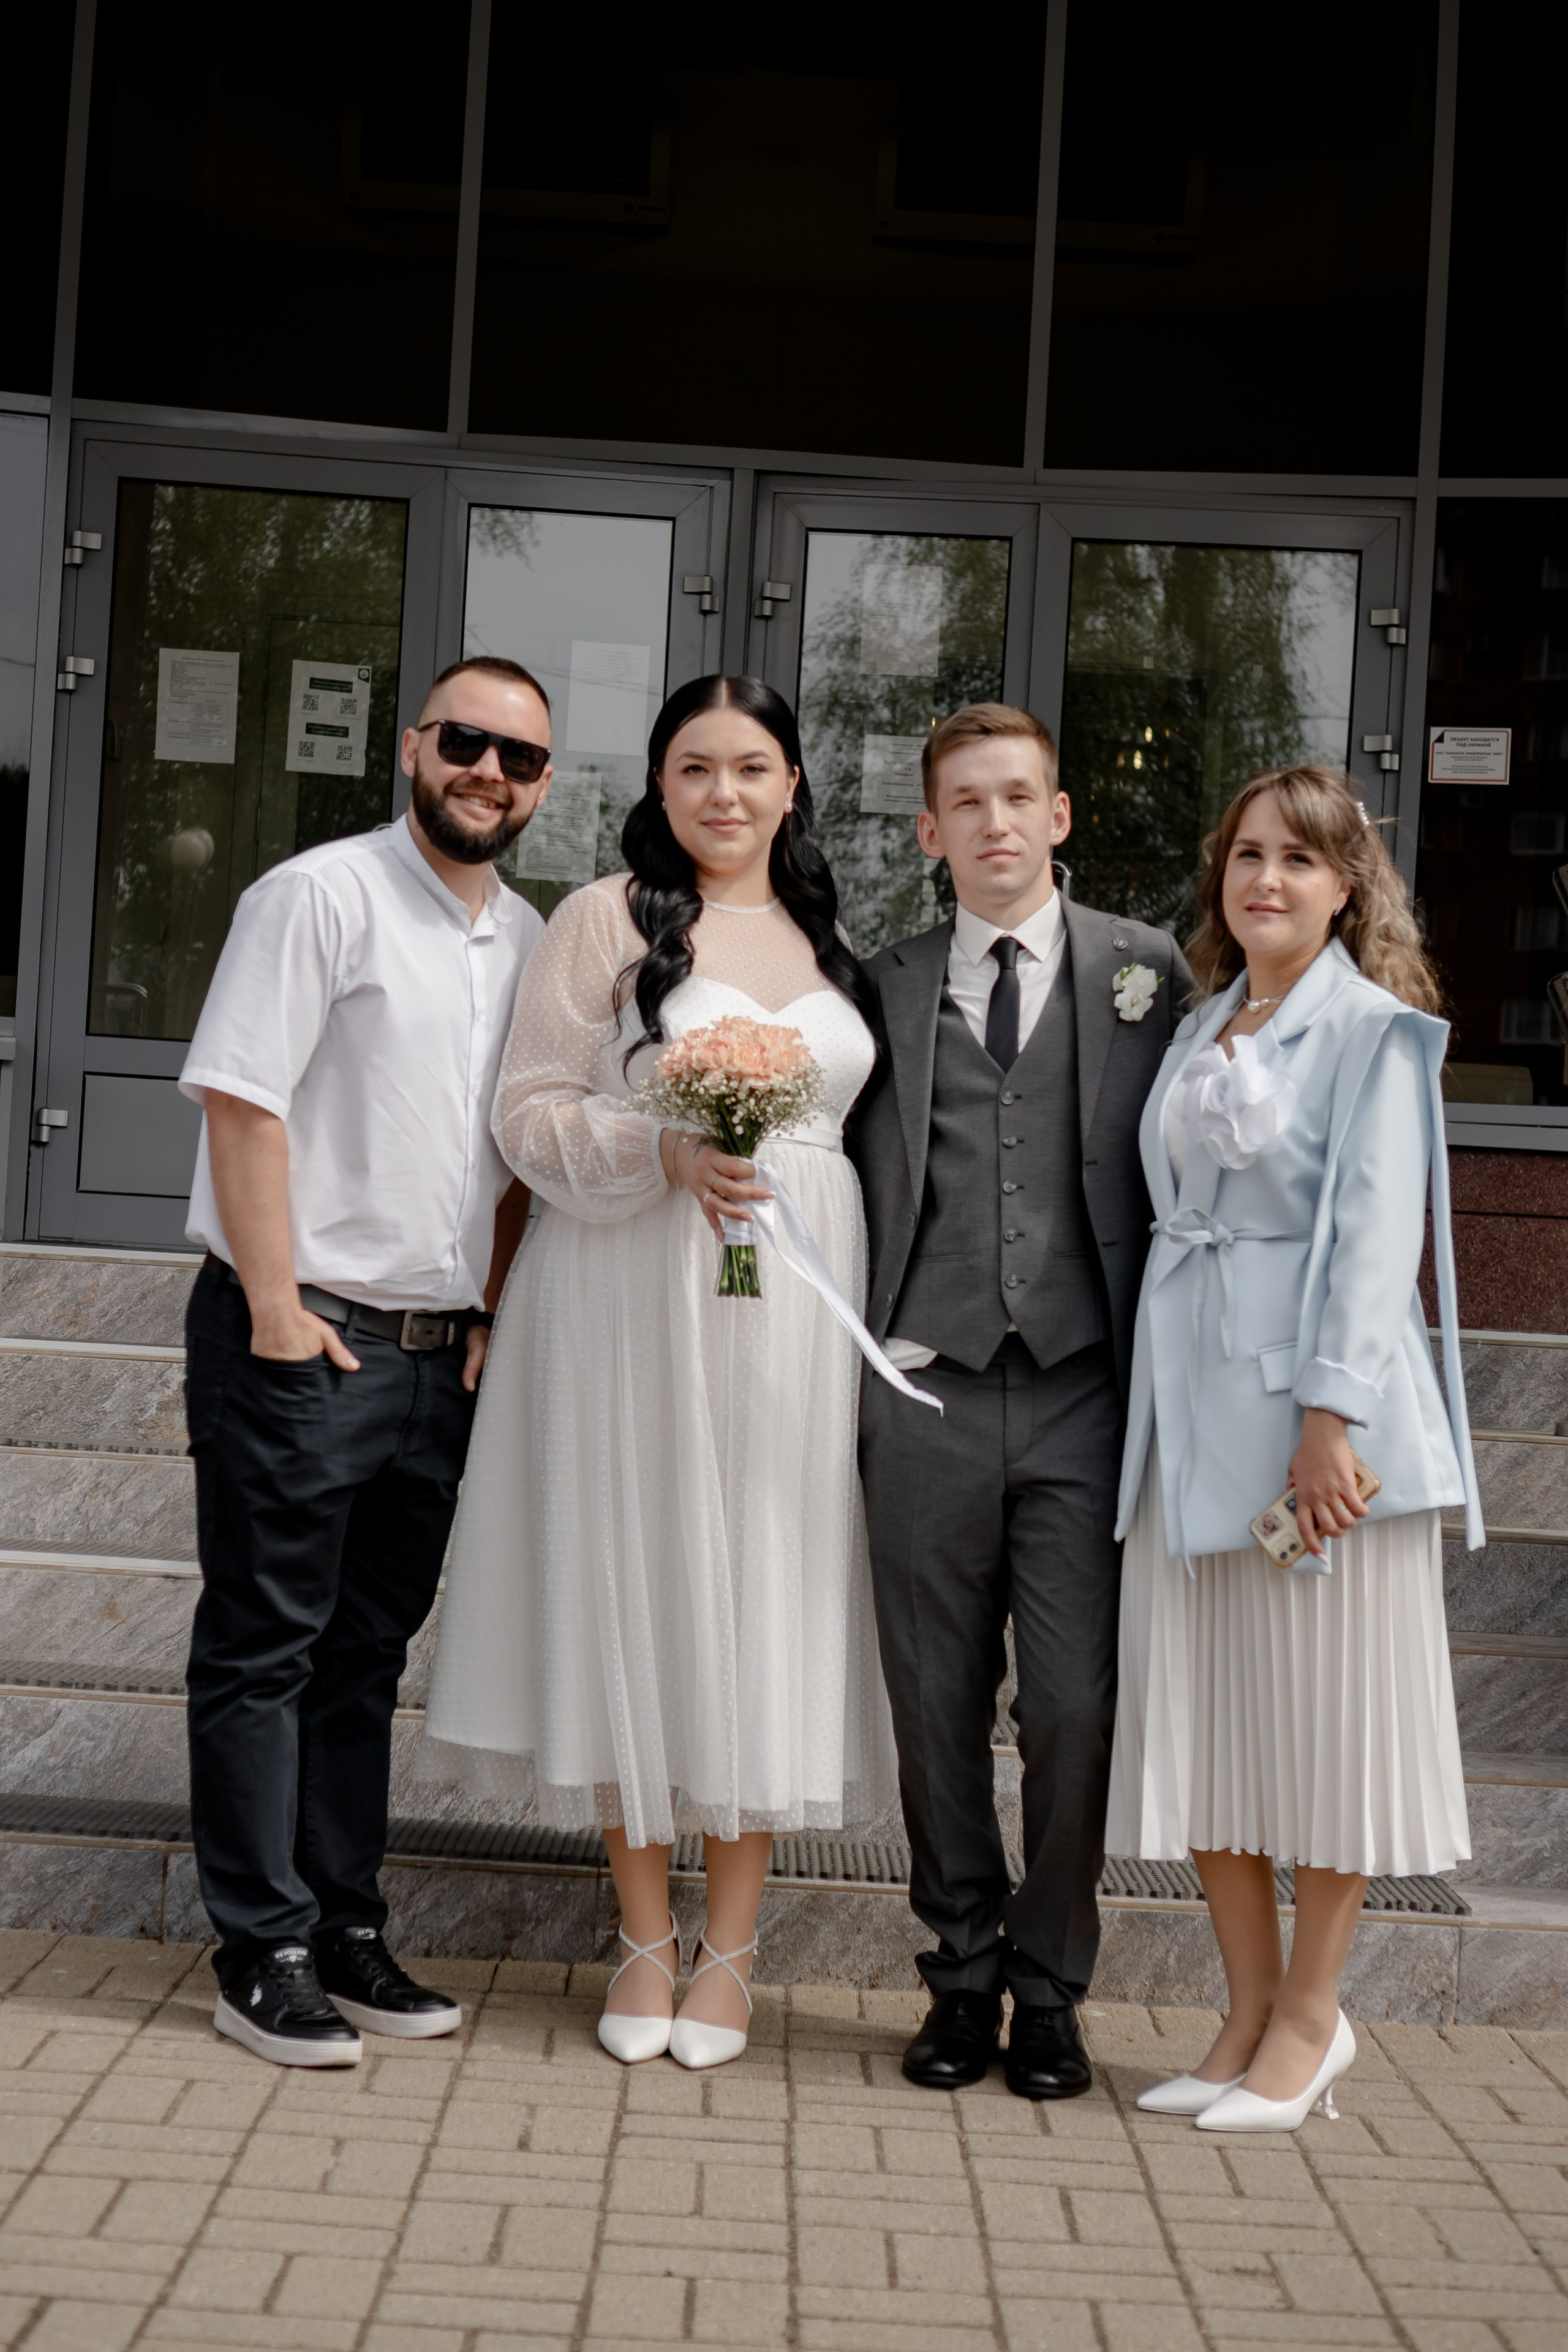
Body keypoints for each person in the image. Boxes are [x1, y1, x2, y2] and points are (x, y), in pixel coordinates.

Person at [423, 673, 897, 2070]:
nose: (723, 794)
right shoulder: (605, 919)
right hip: (630, 1281)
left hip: (794, 1300)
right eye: (694, 767)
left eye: (750, 767)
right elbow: (527, 1110)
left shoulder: (831, 935)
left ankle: (732, 1951)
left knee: (763, 1583)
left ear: (792, 785)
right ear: (659, 782)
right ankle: (639, 1935)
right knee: (633, 1576)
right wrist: (665, 1151)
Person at [179, 655, 553, 2065]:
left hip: (434, 1360)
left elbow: (512, 1163)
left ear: (541, 786)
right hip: (303, 1332)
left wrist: (494, 1316)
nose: (488, 774)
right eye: (467, 742)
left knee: (363, 1659)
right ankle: (258, 1949)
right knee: (264, 1650)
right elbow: (241, 1101)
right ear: (413, 747)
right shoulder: (317, 896)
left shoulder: (524, 943)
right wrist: (276, 1310)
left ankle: (343, 1928)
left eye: (518, 759)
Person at [1110, 764, 1482, 2134]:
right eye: (1246, 854)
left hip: (1309, 1434)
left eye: (1299, 862)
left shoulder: (1372, 1033)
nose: (1265, 880)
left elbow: (1381, 1244)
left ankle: (1314, 2021)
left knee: (1324, 1731)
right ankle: (1244, 2011)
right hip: (1185, 1417)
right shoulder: (1200, 1020)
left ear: (1346, 888)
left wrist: (1327, 1421)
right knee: (1210, 1727)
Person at [848, 703, 1190, 2100]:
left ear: (1058, 818)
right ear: (930, 834)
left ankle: (1051, 1990)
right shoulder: (880, 983)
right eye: (964, 803)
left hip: (1084, 1396)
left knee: (1069, 1708)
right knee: (932, 1704)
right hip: (922, 1393)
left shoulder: (1150, 973)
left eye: (1018, 798)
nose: (994, 822)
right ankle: (961, 1977)